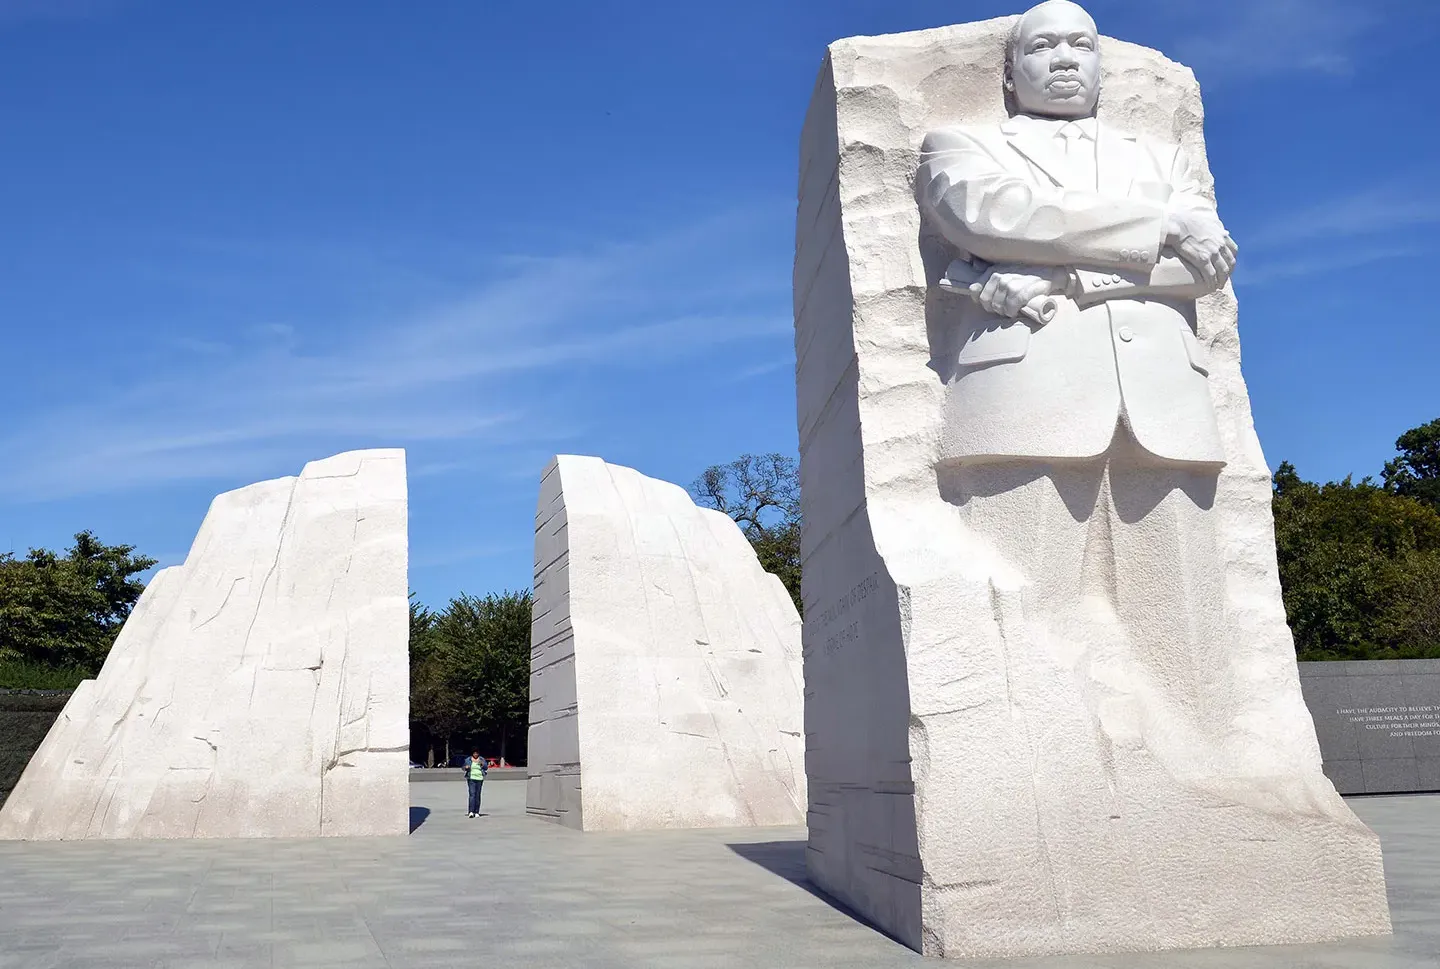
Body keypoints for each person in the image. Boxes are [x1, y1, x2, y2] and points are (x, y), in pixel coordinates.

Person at [462, 749, 487, 817]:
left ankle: (477, 812)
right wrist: (466, 767)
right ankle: (471, 811)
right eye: (474, 753)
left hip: (479, 778)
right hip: (471, 778)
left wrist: (482, 764)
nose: (475, 754)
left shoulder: (481, 759)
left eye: (477, 753)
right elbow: (463, 767)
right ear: (472, 754)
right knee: (472, 795)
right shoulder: (468, 759)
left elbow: (486, 767)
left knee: (477, 795)